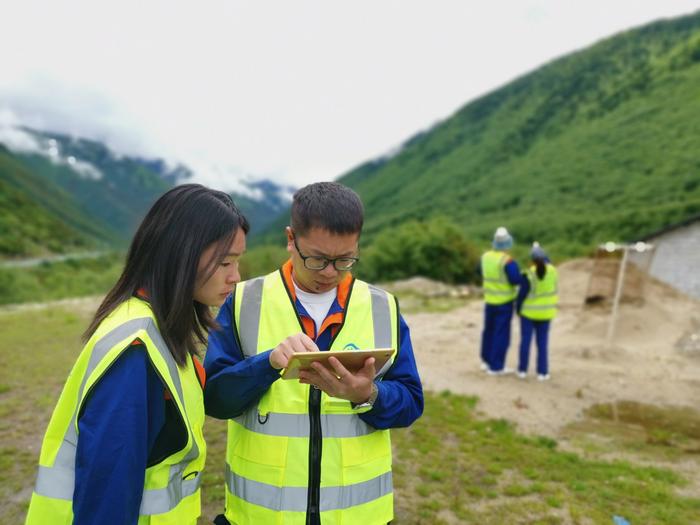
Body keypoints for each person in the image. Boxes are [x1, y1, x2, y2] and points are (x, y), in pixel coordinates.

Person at [25, 184, 249, 525]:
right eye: (225, 262)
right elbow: (107, 500)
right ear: (180, 254)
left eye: (237, 261)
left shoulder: (158, 330)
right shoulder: (136, 350)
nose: (236, 276)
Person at [204, 181, 424, 525]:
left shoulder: (383, 307)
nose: (330, 273)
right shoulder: (245, 302)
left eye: (345, 259)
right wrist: (267, 364)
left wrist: (368, 395)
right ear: (291, 239)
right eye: (318, 258)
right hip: (262, 516)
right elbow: (215, 400)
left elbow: (411, 402)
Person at [479, 226, 521, 374]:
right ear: (508, 243)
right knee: (501, 334)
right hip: (504, 303)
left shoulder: (485, 257)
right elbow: (516, 279)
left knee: (488, 331)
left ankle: (486, 361)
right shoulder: (507, 261)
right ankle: (496, 367)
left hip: (489, 301)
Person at [516, 242, 559, 381]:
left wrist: (518, 310)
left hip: (528, 314)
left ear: (532, 259)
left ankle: (522, 370)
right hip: (546, 313)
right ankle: (543, 372)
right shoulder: (553, 271)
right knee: (542, 343)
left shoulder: (528, 274)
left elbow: (521, 296)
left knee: (525, 342)